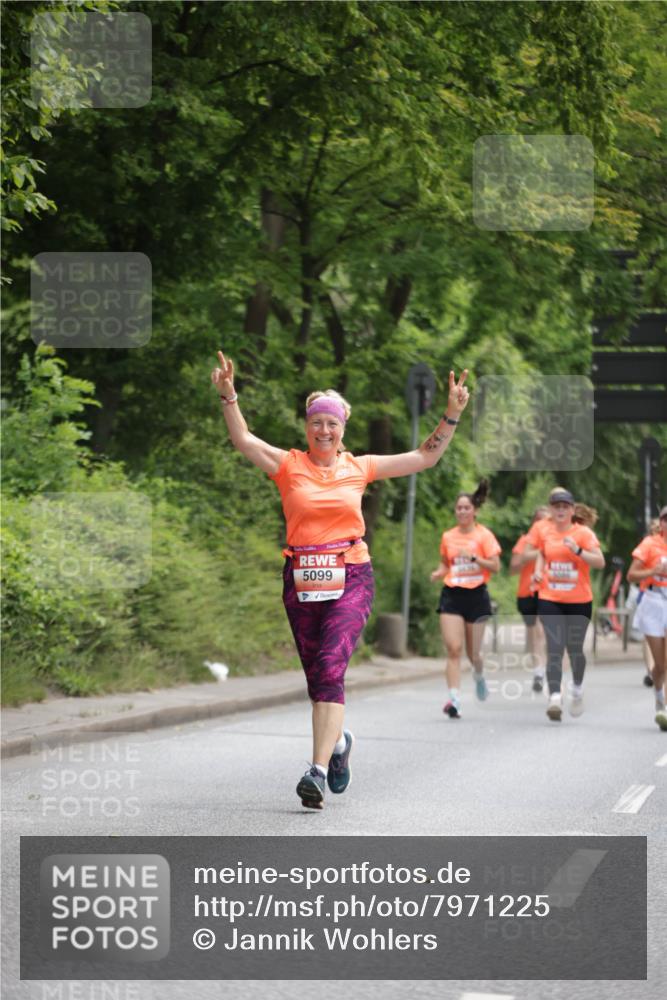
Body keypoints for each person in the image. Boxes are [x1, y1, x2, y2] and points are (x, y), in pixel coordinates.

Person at [211, 350, 470, 808]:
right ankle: (339, 743)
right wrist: (229, 395)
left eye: (332, 423)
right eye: (317, 423)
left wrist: (451, 414)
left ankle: (315, 770)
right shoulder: (288, 465)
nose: (324, 430)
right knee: (318, 679)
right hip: (301, 577)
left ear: (342, 429)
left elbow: (422, 458)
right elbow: (244, 440)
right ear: (307, 427)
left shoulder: (359, 467)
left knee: (332, 667)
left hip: (351, 573)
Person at [524, 488, 605, 722]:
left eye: (564, 506)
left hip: (579, 600)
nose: (560, 510)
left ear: (571, 510)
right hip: (550, 597)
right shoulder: (544, 530)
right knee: (554, 647)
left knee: (574, 649)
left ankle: (577, 688)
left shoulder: (583, 533)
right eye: (556, 506)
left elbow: (599, 562)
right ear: (551, 510)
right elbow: (541, 553)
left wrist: (577, 550)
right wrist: (538, 572)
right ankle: (555, 697)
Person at [430, 480, 501, 718]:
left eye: (466, 508)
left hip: (477, 595)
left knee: (474, 654)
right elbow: (445, 563)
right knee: (453, 649)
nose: (462, 511)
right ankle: (454, 700)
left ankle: (479, 676)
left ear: (474, 511)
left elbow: (496, 566)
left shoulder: (484, 536)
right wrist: (439, 572)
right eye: (459, 508)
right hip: (452, 594)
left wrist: (473, 558)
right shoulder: (448, 536)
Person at [626, 505, 667, 731]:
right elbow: (631, 575)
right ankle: (659, 698)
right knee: (660, 665)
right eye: (666, 520)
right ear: (661, 523)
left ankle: (665, 710)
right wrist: (653, 571)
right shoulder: (650, 544)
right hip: (653, 601)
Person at [510, 507, 550, 693]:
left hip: (549, 592)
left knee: (541, 632)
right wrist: (535, 553)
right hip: (527, 592)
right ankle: (539, 670)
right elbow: (513, 568)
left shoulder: (555, 540)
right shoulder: (525, 541)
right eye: (541, 521)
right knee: (535, 632)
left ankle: (541, 671)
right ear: (534, 523)